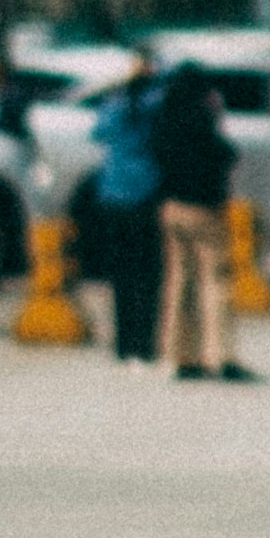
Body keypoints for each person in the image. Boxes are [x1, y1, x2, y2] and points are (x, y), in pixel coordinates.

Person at [150, 59, 242, 382]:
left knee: (179, 282)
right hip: (204, 209)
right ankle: (221, 355)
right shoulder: (202, 117)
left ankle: (181, 354)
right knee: (214, 281)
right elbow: (226, 153)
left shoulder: (163, 117)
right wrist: (217, 116)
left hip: (172, 207)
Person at [84, 76, 166, 359]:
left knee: (121, 275)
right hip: (145, 194)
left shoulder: (114, 107)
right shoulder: (152, 109)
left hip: (113, 195)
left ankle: (123, 343)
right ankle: (145, 343)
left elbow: (96, 133)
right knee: (147, 274)